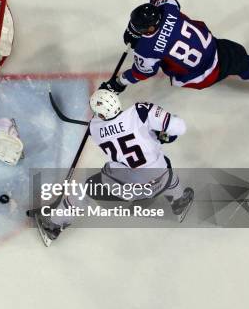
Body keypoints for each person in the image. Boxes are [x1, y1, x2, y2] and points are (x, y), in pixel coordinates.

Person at [35, 90, 193, 246]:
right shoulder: (141, 111)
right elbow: (179, 127)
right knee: (162, 164)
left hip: (125, 190)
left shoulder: (95, 129)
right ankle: (179, 201)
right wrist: (165, 134)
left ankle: (54, 224)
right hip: (160, 183)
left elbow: (106, 127)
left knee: (83, 191)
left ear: (101, 115)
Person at [101, 0, 249, 92]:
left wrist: (119, 83)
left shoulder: (146, 50)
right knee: (244, 62)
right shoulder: (168, 9)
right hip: (213, 51)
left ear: (149, 29)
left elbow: (142, 72)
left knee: (242, 61)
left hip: (199, 75)